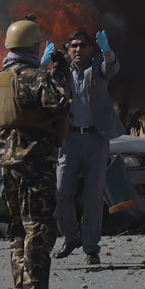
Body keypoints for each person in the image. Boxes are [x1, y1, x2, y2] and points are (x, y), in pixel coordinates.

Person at [0, 19, 71, 289]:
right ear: (32, 47)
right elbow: (61, 105)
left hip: (7, 160)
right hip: (35, 159)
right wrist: (59, 74)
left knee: (17, 228)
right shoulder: (34, 77)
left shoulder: (1, 78)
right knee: (39, 225)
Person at [50, 30, 124, 265]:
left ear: (91, 48)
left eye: (82, 45)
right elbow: (48, 88)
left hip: (95, 139)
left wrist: (107, 50)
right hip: (70, 140)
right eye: (73, 46)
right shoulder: (62, 72)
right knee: (62, 191)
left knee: (93, 195)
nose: (78, 50)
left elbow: (112, 67)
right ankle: (71, 237)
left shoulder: (98, 67)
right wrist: (45, 65)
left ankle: (91, 248)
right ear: (67, 49)